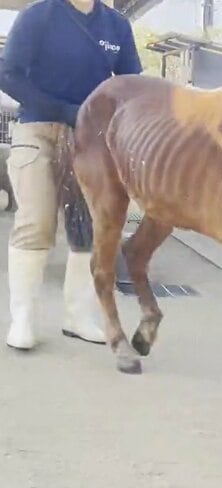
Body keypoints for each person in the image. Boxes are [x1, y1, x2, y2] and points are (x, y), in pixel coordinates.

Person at [0, 0, 143, 350]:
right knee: (35, 221)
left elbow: (131, 84)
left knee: (88, 228)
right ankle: (23, 319)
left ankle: (78, 317)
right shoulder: (38, 15)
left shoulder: (116, 26)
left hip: (91, 139)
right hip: (38, 129)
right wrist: (62, 110)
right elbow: (8, 73)